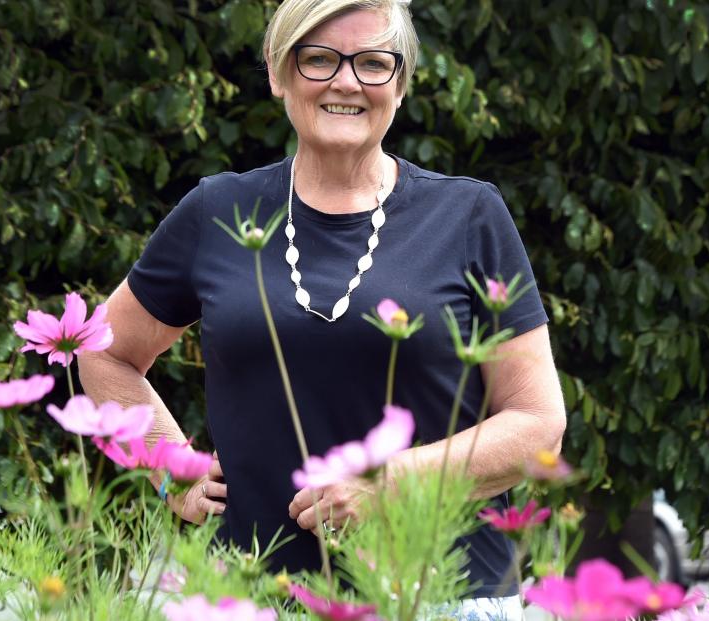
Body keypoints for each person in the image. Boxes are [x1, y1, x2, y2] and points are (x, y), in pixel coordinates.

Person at [78, 0, 566, 615]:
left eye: (373, 63)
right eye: (319, 59)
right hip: (253, 594)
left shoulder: (468, 216)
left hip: (440, 598)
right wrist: (171, 467)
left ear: (401, 81)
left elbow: (537, 424)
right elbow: (104, 351)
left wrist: (389, 485)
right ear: (279, 74)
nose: (346, 82)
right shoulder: (218, 211)